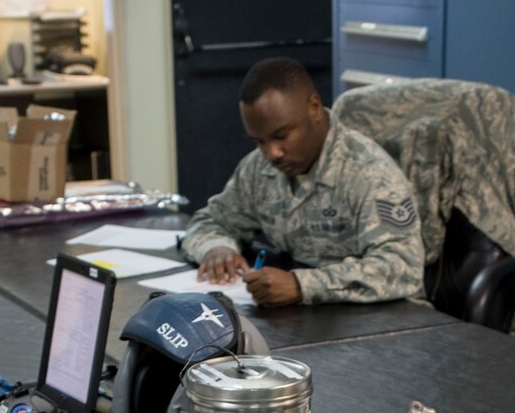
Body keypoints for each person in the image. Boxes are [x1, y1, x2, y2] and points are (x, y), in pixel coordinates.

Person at [181, 57, 423, 309]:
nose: (272, 153)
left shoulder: (369, 172)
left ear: (315, 108)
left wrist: (302, 286)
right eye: (259, 141)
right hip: (308, 318)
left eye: (281, 136)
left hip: (381, 319)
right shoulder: (258, 168)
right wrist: (216, 249)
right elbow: (211, 220)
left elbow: (403, 267)